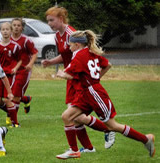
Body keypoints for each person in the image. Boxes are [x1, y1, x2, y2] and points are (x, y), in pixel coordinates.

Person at [56, 30, 155, 159]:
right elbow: (107, 64)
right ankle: (74, 150)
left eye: (70, 44)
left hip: (95, 94)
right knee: (67, 116)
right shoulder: (90, 52)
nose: (69, 47)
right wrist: (96, 79)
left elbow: (69, 75)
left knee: (113, 126)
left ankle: (146, 139)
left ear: (77, 45)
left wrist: (60, 74)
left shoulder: (79, 55)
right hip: (87, 93)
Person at [42, 6, 103, 153]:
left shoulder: (71, 33)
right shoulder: (57, 36)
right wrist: (51, 62)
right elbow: (65, 56)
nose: (49, 23)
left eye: (52, 20)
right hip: (70, 78)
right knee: (75, 117)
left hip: (78, 78)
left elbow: (85, 53)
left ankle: (109, 129)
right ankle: (88, 148)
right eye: (48, 21)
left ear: (61, 19)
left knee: (74, 116)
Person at [0, 22, 22, 128]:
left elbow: (20, 60)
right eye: (3, 29)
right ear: (0, 31)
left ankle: (15, 123)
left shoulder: (15, 46)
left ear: (11, 31)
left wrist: (15, 68)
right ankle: (11, 112)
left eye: (7, 29)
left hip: (9, 75)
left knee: (7, 99)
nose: (5, 31)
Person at [10, 17, 38, 118]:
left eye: (18, 25)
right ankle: (26, 99)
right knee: (8, 95)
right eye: (14, 25)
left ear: (22, 28)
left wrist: (30, 64)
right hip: (11, 71)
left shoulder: (26, 40)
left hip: (23, 71)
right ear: (11, 27)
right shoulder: (7, 39)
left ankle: (12, 119)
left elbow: (35, 53)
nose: (16, 27)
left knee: (16, 95)